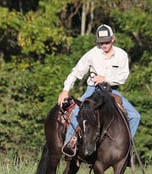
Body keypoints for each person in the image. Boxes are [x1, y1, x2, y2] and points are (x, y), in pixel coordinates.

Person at [58, 24, 140, 157]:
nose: (104, 45)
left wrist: (105, 78)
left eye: (107, 41)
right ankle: (70, 142)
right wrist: (65, 90)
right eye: (101, 42)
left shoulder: (122, 55)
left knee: (135, 116)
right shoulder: (92, 54)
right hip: (93, 89)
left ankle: (126, 148)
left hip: (111, 91)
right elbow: (76, 72)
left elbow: (123, 77)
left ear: (113, 39)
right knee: (78, 110)